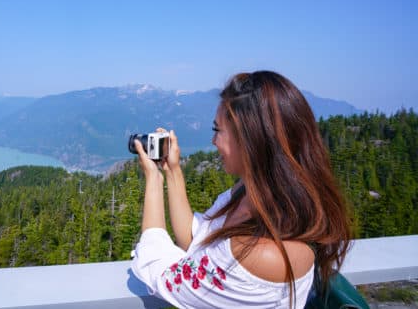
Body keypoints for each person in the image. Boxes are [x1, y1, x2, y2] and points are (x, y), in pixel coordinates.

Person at [131, 71, 352, 309]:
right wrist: (172, 170)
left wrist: (153, 179)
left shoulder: (256, 256)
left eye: (217, 130)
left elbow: (160, 273)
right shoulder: (257, 198)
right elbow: (196, 241)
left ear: (249, 140)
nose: (213, 142)